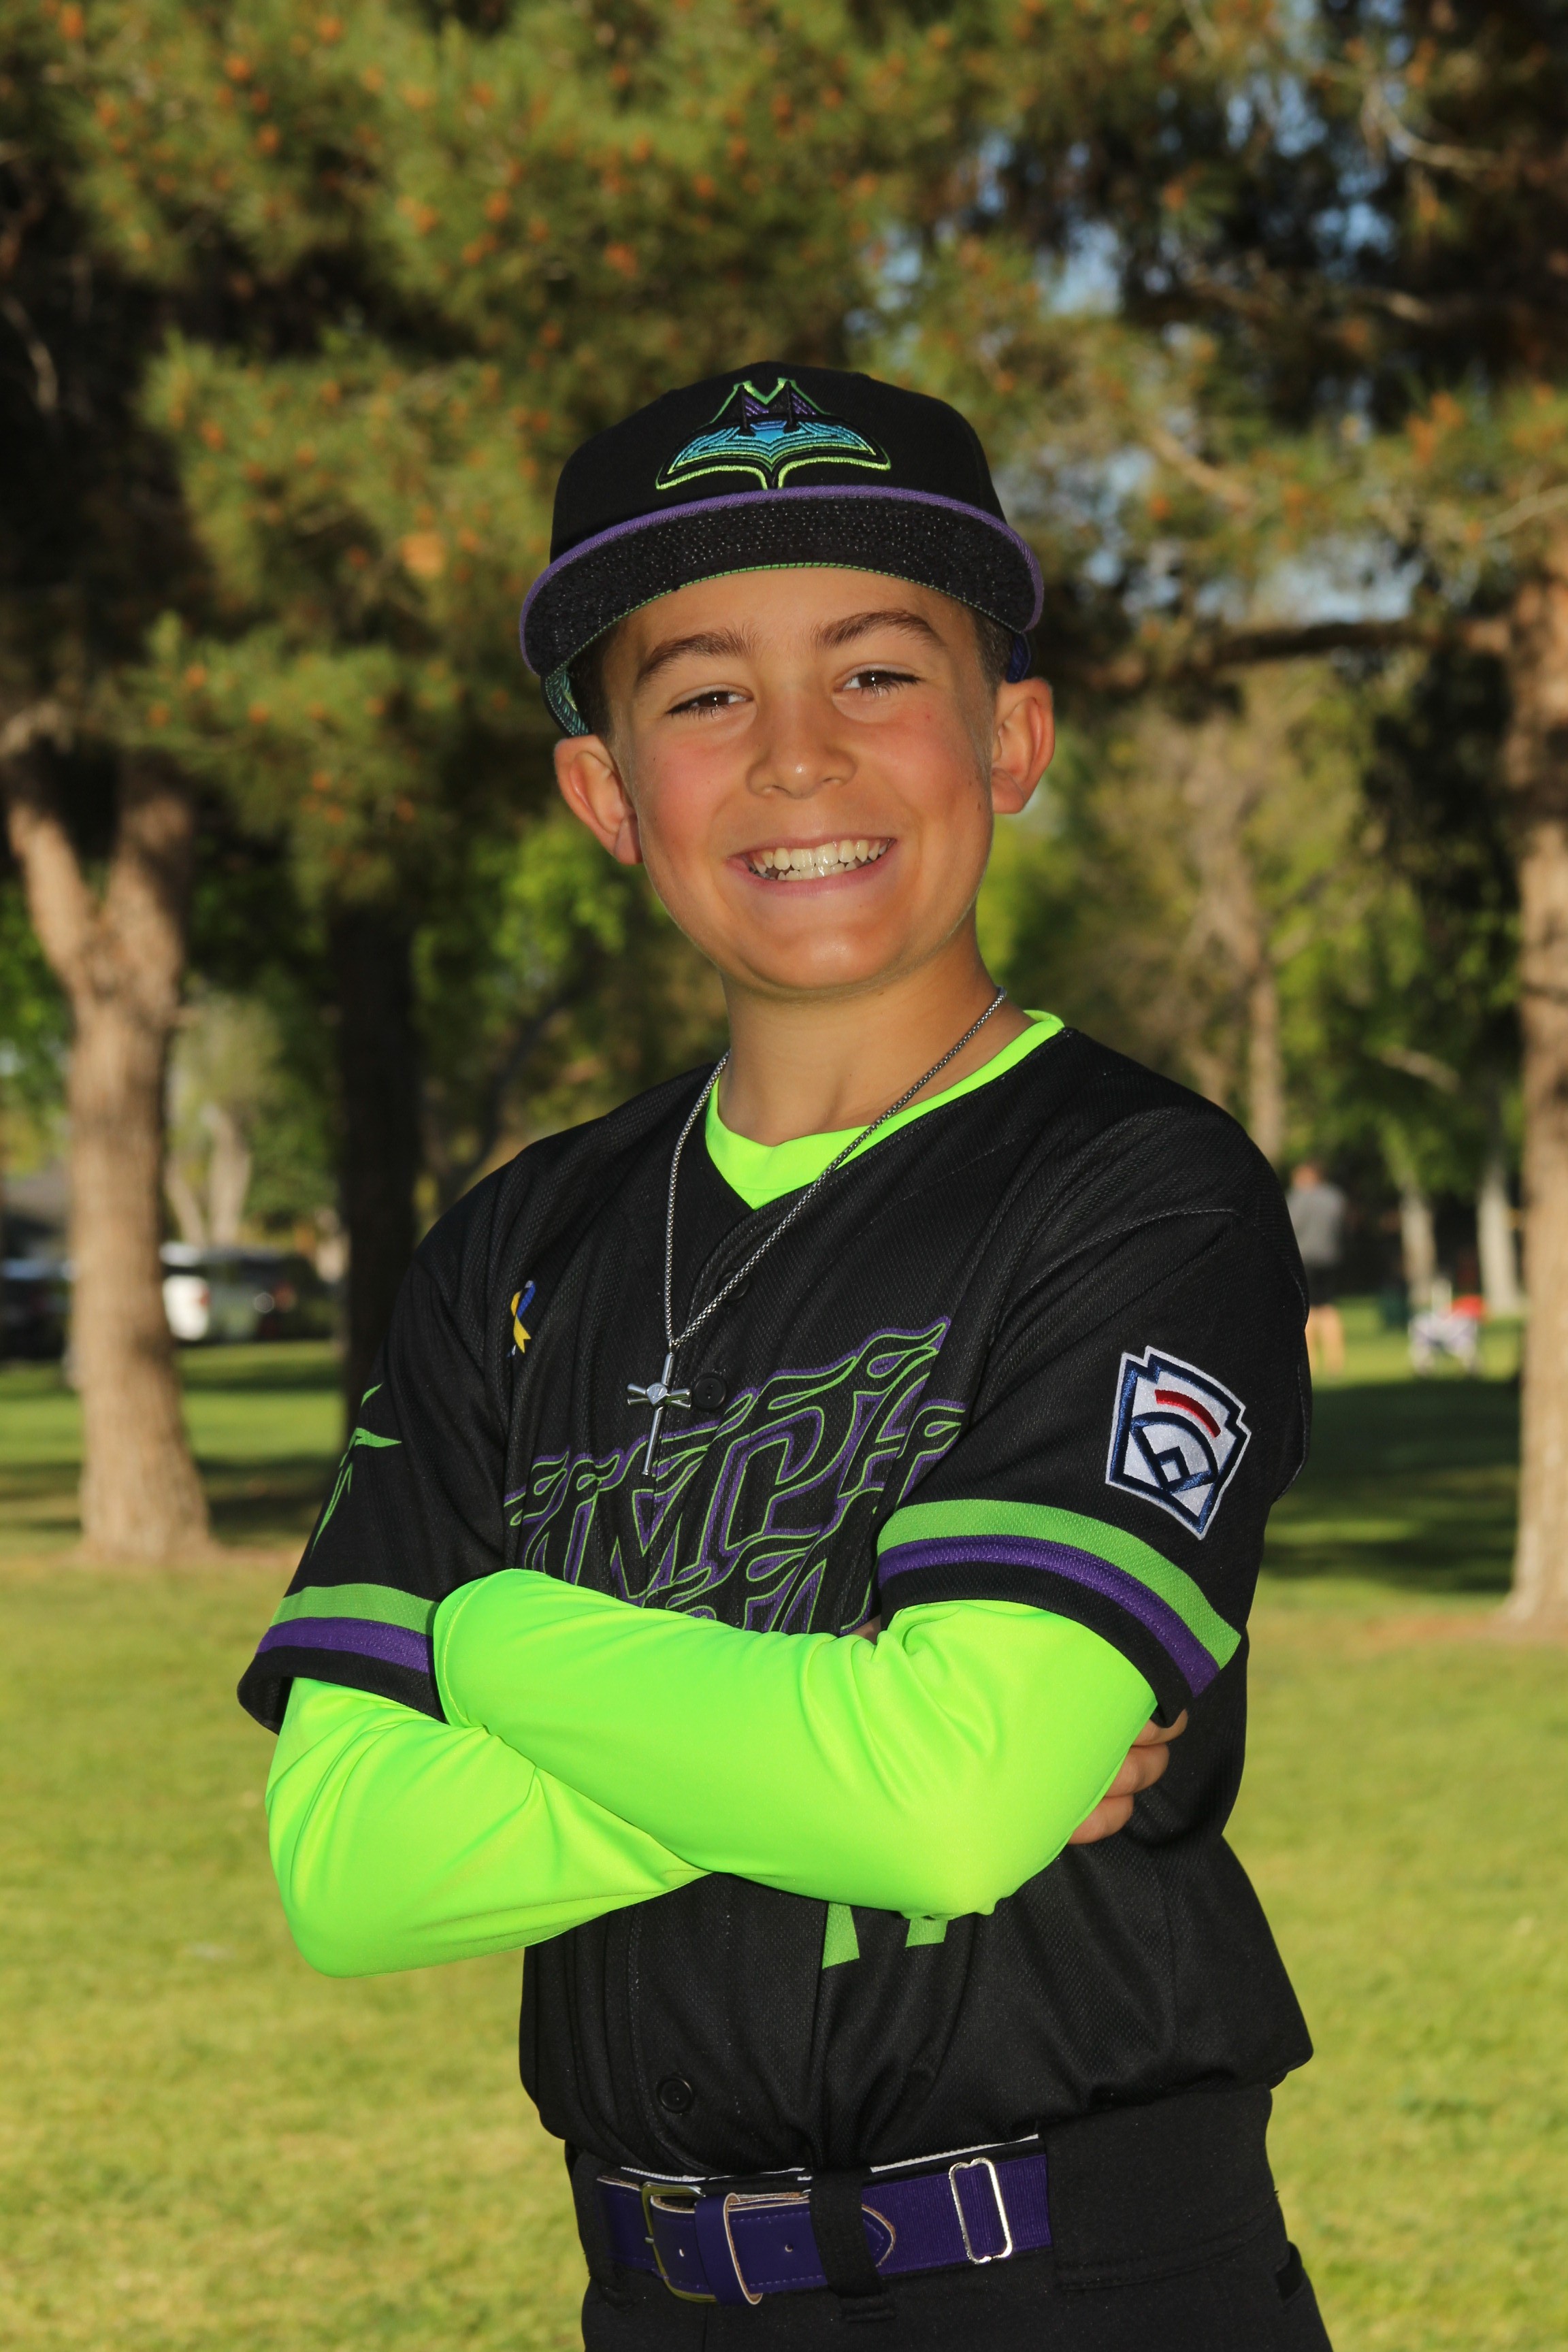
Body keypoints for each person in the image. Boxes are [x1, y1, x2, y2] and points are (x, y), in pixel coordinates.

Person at [240, 365, 1329, 2349]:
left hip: (1071, 2272)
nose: (799, 756)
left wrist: (493, 1643)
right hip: (655, 2286)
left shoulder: (1137, 1187)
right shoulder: (516, 1244)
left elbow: (948, 1802)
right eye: (705, 696)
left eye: (878, 672)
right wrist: (849, 1720)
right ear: (605, 794)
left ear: (1011, 739)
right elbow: (348, 1865)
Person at [1287, 1163, 1347, 1377]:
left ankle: (1310, 1361)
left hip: (1305, 1258)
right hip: (1330, 1257)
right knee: (1329, 1308)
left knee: (1309, 1310)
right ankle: (1335, 1361)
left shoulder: (1299, 1198)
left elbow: (1291, 1225)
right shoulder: (1335, 1198)